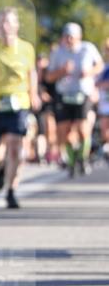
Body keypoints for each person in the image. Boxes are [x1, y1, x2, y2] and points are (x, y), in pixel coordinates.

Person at [0, 7, 40, 207]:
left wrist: (33, 94)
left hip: (18, 103)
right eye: (2, 22)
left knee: (15, 146)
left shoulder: (26, 48)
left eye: (9, 22)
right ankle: (2, 168)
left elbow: (32, 73)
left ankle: (11, 190)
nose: (5, 26)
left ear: (16, 26)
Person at [45, 22, 103, 176]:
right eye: (66, 37)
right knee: (65, 132)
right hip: (64, 95)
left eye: (72, 37)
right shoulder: (57, 53)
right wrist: (62, 71)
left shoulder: (87, 48)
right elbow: (49, 77)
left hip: (82, 94)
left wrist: (89, 72)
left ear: (79, 37)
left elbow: (100, 65)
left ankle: (82, 158)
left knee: (84, 129)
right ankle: (71, 162)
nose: (69, 40)